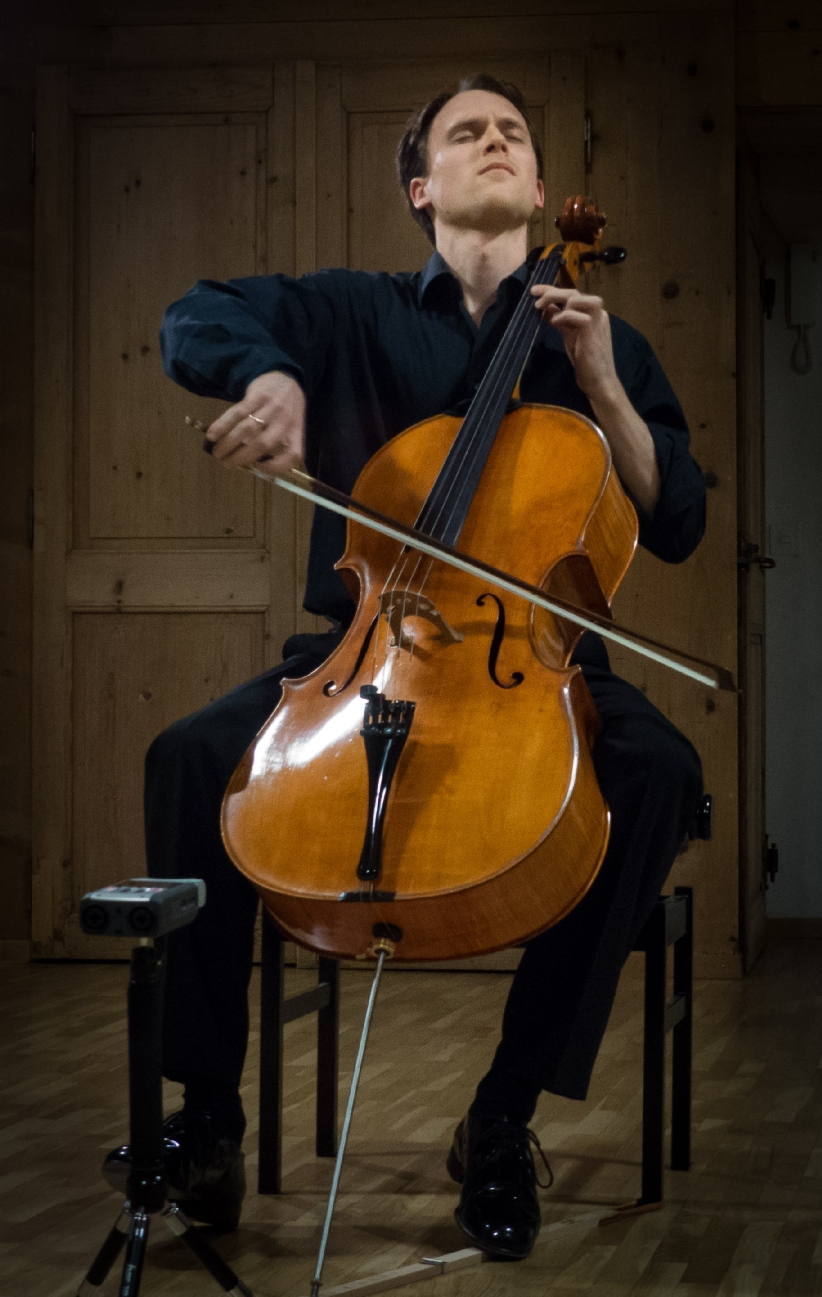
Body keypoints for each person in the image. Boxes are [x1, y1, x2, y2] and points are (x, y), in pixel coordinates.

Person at [103, 74, 704, 1258]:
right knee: (188, 758)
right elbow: (195, 315)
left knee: (660, 776)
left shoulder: (606, 340)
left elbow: (673, 514)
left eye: (513, 134)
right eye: (464, 132)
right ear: (424, 188)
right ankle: (208, 1118)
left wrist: (602, 391)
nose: (495, 142)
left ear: (538, 190)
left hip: (534, 660)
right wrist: (266, 376)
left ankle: (499, 1116)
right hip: (363, 648)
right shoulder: (350, 313)